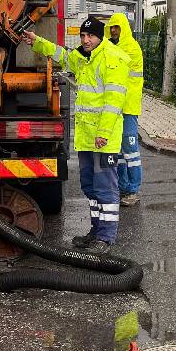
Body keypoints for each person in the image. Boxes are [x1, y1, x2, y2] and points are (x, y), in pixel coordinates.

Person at [21, 16, 130, 254]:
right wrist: (36, 41)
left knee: (105, 188)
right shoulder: (84, 58)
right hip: (86, 138)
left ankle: (106, 237)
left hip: (103, 139)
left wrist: (102, 133)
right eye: (82, 36)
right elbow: (61, 54)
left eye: (90, 36)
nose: (85, 40)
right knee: (90, 187)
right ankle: (96, 230)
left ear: (100, 37)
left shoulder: (113, 60)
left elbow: (114, 101)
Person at [104, 13, 144, 207]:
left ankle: (133, 190)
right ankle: (123, 187)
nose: (113, 31)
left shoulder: (132, 48)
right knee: (118, 151)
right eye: (111, 27)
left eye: (117, 27)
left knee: (130, 150)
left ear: (124, 29)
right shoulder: (111, 47)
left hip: (127, 107)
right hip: (115, 108)